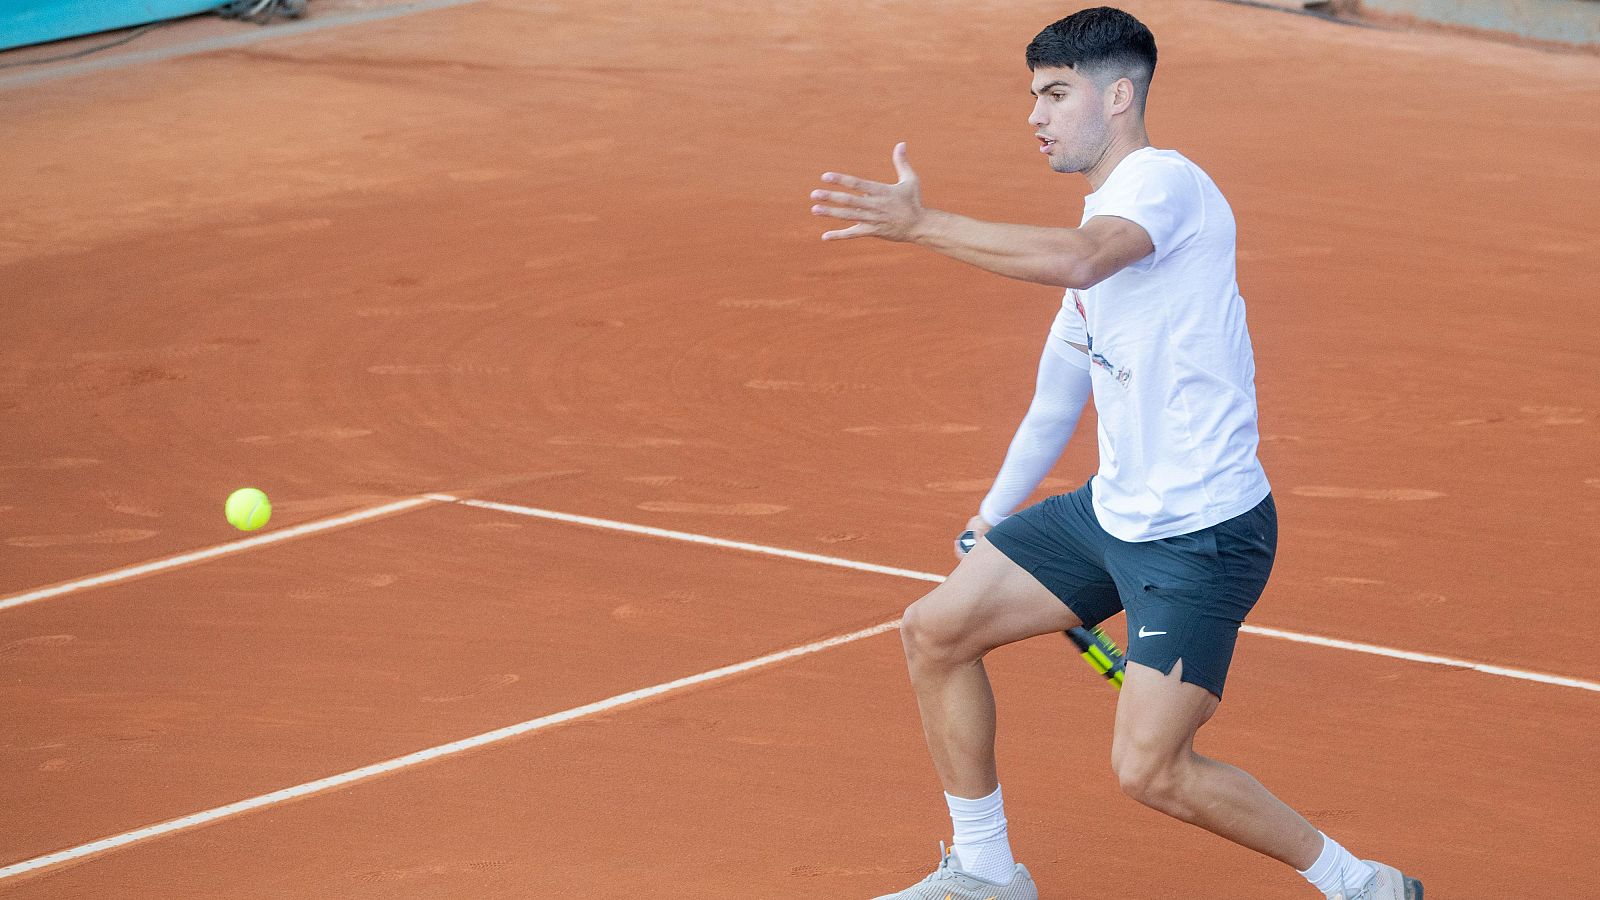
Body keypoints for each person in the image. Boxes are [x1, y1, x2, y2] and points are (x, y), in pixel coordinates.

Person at [808, 8, 1422, 900]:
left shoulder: (1163, 183)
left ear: (1121, 94)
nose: (1036, 115)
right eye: (1034, 95)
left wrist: (920, 225)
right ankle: (984, 869)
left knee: (1152, 771)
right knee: (936, 632)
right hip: (1110, 513)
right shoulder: (1100, 229)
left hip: (1200, 537)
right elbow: (1056, 398)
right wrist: (992, 514)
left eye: (1057, 93)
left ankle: (1358, 881)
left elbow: (1082, 260)